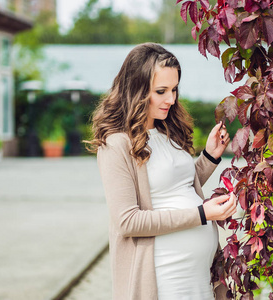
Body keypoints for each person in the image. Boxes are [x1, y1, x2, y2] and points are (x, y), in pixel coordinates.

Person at [86, 43, 237, 300]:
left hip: (198, 275)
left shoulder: (167, 131)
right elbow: (128, 221)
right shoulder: (116, 144)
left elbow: (176, 188)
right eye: (161, 91)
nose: (172, 99)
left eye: (174, 89)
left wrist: (210, 156)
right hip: (164, 277)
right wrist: (202, 214)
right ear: (136, 89)